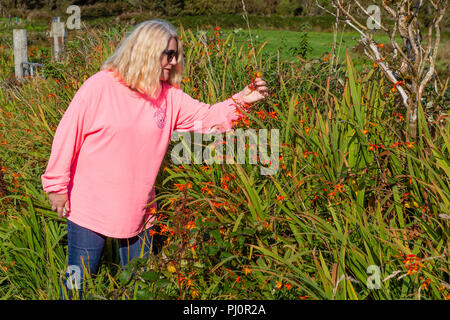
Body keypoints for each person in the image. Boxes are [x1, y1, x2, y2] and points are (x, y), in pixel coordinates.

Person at [41, 19, 268, 299]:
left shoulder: (170, 98)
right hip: (89, 208)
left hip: (139, 211)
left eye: (176, 55)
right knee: (77, 285)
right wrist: (56, 187)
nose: (173, 62)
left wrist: (242, 101)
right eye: (168, 54)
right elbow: (67, 135)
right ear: (147, 51)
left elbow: (208, 118)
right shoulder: (99, 87)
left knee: (142, 288)